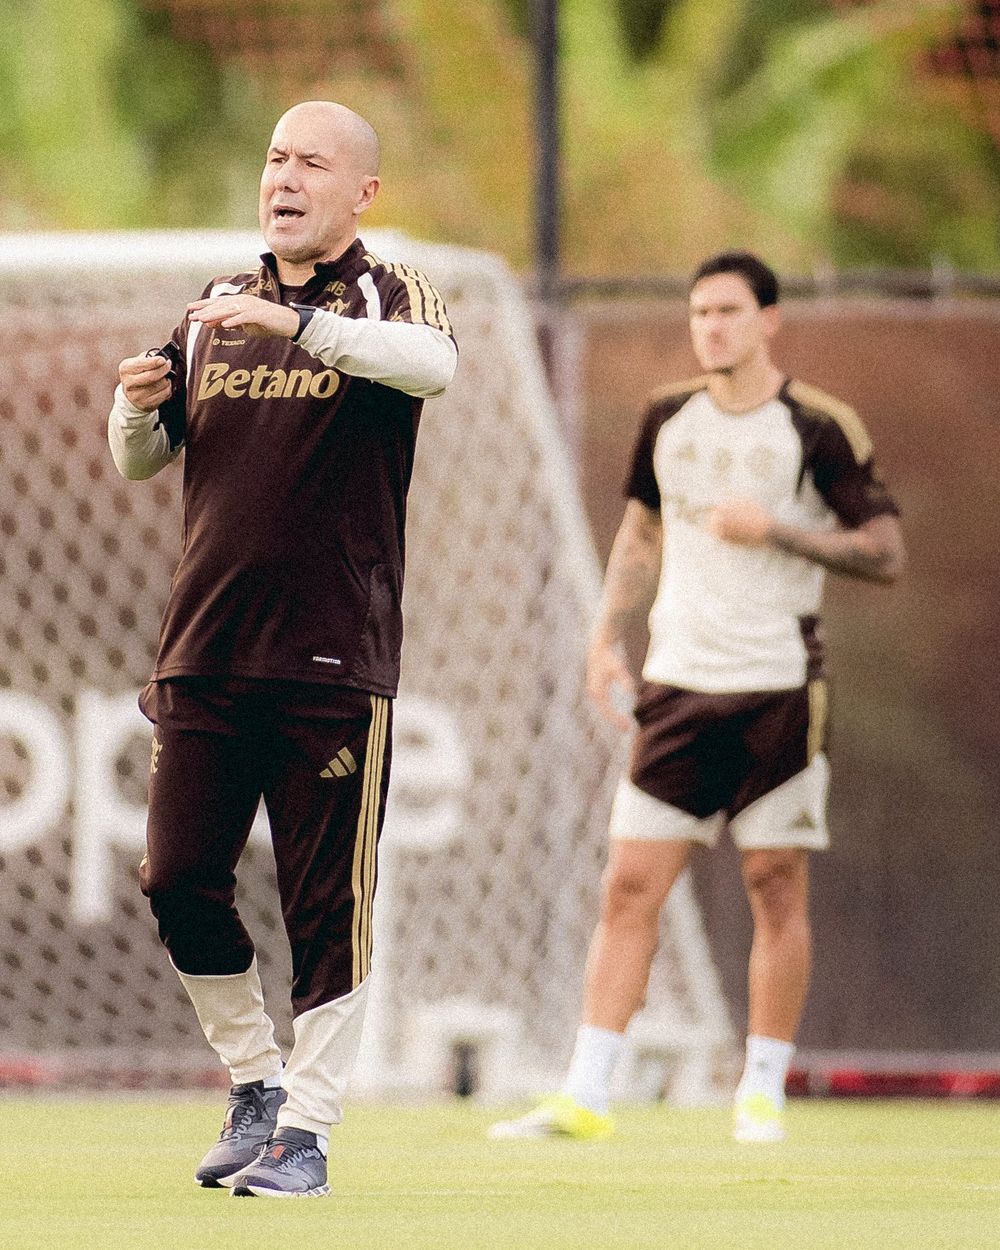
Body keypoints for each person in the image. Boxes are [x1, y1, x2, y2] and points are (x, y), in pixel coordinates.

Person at [108, 100, 457, 1196]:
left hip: (330, 661)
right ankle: (255, 1081)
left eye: (311, 160)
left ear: (362, 192)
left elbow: (431, 366)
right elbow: (144, 463)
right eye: (272, 158)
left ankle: (305, 1131)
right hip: (202, 650)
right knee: (176, 880)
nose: (284, 177)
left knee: (324, 913)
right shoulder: (213, 308)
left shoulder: (389, 295)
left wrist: (300, 329)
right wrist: (133, 409)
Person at [491, 250, 904, 1145]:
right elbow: (641, 533)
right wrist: (605, 636)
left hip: (778, 690)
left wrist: (781, 533)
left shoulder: (819, 427)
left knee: (773, 882)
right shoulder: (667, 418)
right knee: (630, 887)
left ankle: (760, 1091)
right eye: (698, 313)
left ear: (768, 321)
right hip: (677, 687)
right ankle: (587, 1096)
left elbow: (885, 553)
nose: (709, 327)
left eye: (727, 311)